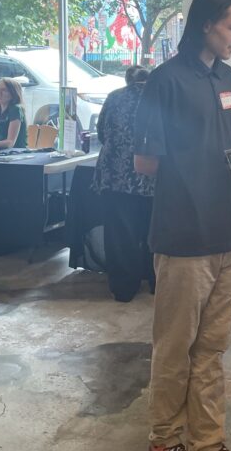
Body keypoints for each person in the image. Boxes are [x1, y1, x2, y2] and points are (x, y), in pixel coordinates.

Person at [134, 0, 231, 451]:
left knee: (212, 350)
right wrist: (198, 165)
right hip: (183, 236)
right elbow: (145, 161)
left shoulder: (229, 80)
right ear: (206, 24)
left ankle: (207, 440)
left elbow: (226, 149)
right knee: (174, 351)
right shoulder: (164, 81)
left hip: (230, 233)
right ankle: (165, 437)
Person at [92, 65, 154, 302]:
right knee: (153, 231)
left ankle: (123, 288)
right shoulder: (158, 98)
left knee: (120, 234)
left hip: (115, 176)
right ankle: (156, 281)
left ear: (129, 81)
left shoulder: (114, 97)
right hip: (150, 176)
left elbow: (101, 133)